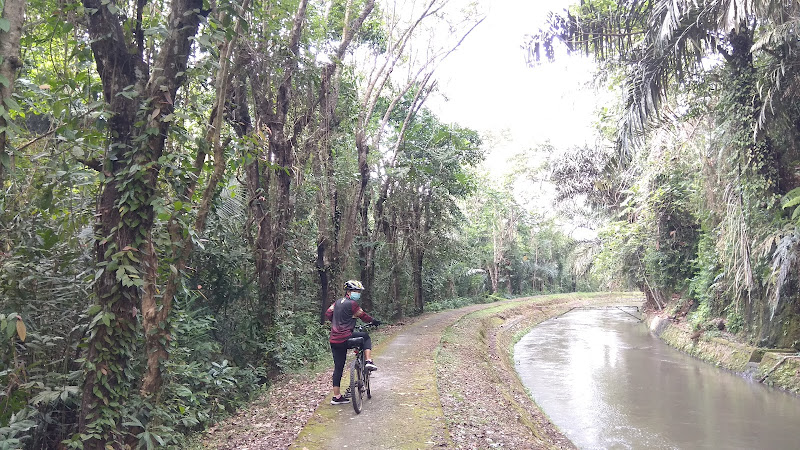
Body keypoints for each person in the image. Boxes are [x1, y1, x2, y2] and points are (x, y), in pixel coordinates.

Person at [325, 279, 381, 405]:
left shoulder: (337, 302)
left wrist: (337, 322)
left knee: (338, 367)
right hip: (346, 337)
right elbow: (364, 317)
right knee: (365, 337)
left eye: (359, 291)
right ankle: (368, 361)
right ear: (349, 292)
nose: (358, 294)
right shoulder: (352, 304)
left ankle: (337, 397)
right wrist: (374, 321)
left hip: (334, 339)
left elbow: (328, 313)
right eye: (356, 291)